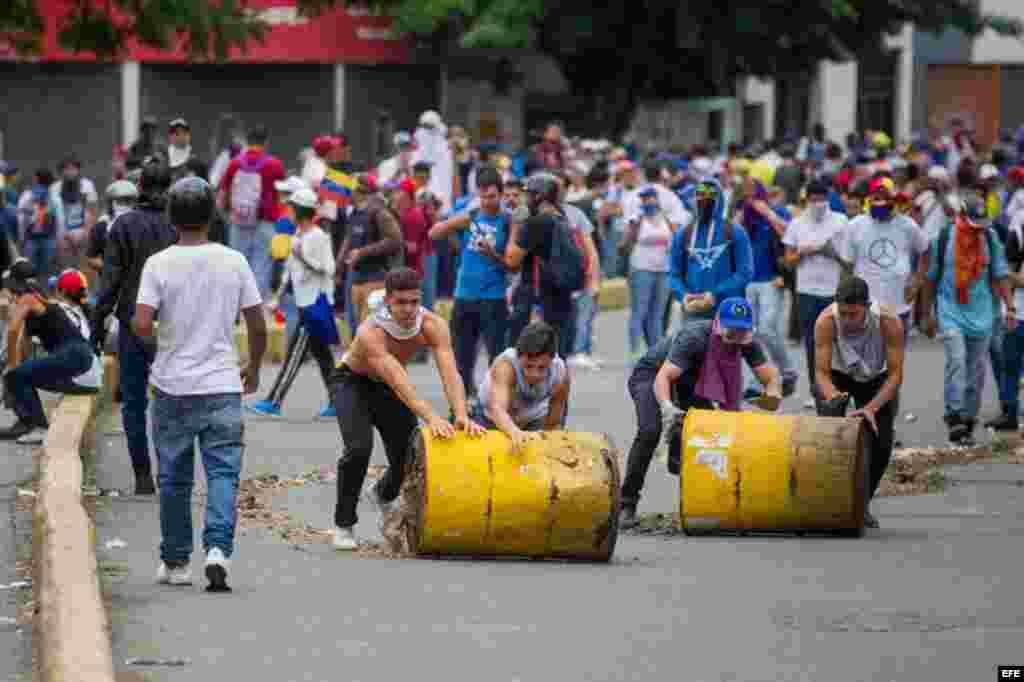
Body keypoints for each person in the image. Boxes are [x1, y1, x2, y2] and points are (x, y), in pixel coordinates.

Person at [133, 176, 266, 592]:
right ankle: (218, 550)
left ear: (172, 217)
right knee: (223, 472)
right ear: (212, 215)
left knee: (174, 478)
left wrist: (162, 348)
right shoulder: (234, 261)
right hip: (222, 384)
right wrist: (254, 366)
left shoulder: (158, 264)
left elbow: (140, 323)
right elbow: (257, 324)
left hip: (172, 387)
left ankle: (176, 563)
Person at [330, 267, 486, 550]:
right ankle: (344, 524)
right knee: (358, 449)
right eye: (401, 302)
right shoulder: (371, 330)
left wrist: (461, 414)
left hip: (388, 387)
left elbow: (450, 372)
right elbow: (398, 379)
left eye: (414, 301)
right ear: (388, 300)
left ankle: (382, 493)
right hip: (353, 383)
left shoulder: (432, 324)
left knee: (409, 453)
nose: (408, 309)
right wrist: (431, 417)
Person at [619, 297, 781, 527]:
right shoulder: (695, 338)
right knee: (650, 431)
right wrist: (667, 407)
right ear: (718, 323)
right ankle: (626, 503)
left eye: (741, 331)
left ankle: (704, 500)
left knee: (715, 433)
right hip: (652, 374)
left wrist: (772, 394)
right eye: (731, 330)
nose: (735, 337)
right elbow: (664, 377)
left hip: (691, 384)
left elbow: (770, 376)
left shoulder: (747, 341)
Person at [92, 159, 178, 495]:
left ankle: (142, 476)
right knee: (169, 401)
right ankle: (168, 472)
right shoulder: (177, 226)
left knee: (133, 402)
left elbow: (110, 282)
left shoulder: (123, 226)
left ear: (139, 187)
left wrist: (97, 325)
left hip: (132, 322)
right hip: (170, 324)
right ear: (169, 187)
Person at [922, 192, 1013, 443]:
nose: (978, 230)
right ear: (961, 216)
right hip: (950, 309)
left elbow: (1001, 274)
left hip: (982, 313)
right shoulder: (943, 238)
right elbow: (931, 278)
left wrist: (1010, 308)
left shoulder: (990, 238)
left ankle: (968, 419)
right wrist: (926, 314)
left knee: (976, 370)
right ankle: (954, 416)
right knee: (958, 360)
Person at [815, 277, 905, 529]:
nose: (847, 320)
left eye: (854, 314)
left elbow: (896, 374)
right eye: (843, 313)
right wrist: (832, 395)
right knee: (829, 436)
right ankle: (827, 501)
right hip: (838, 375)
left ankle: (861, 504)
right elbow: (821, 372)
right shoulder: (825, 321)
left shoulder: (889, 321)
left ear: (867, 306)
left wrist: (871, 408)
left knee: (882, 442)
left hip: (876, 377)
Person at [249, 188, 340, 419]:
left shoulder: (318, 237)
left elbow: (327, 269)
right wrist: (277, 297)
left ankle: (274, 401)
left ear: (300, 211)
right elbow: (290, 273)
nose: (288, 211)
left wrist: (303, 256)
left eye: (292, 207)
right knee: (323, 358)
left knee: (294, 356)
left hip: (314, 305)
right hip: (304, 303)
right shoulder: (297, 236)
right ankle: (339, 403)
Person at [429, 166, 510, 395]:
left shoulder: (508, 220)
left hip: (493, 296)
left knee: (496, 353)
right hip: (464, 294)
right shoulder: (471, 216)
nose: (487, 201)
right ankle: (463, 398)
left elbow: (513, 264)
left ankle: (495, 398)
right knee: (461, 353)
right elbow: (434, 234)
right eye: (483, 196)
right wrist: (452, 223)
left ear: (501, 195)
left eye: (492, 196)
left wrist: (493, 254)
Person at [0, 260, 100, 444]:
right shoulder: (40, 301)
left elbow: (13, 330)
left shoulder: (29, 298)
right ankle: (27, 422)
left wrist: (13, 368)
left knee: (16, 374)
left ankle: (38, 427)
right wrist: (14, 376)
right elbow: (25, 348)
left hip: (76, 358)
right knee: (18, 375)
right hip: (84, 367)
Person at [783, 179, 850, 405]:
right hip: (806, 291)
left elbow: (850, 259)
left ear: (828, 199)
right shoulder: (797, 224)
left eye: (821, 199)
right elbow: (788, 261)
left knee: (838, 341)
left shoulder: (841, 222)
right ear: (807, 200)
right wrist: (803, 252)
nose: (818, 203)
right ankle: (817, 390)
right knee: (813, 343)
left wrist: (830, 252)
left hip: (833, 291)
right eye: (813, 200)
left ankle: (839, 388)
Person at [472, 321, 570, 450]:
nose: (534, 374)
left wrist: (549, 445)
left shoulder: (560, 373)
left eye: (542, 368)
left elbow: (554, 424)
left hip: (533, 417)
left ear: (552, 360)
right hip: (491, 417)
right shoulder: (506, 366)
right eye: (528, 366)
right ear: (519, 357)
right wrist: (514, 431)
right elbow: (497, 409)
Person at [668, 179, 754, 324]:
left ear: (719, 197)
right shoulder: (683, 233)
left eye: (710, 195)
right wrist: (683, 296)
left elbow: (745, 273)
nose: (705, 200)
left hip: (729, 313)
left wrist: (715, 294)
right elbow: (673, 274)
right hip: (693, 313)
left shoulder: (734, 231)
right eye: (700, 194)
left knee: (726, 347)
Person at [219, 125, 286, 301]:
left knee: (237, 265)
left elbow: (223, 194)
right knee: (261, 265)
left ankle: (235, 306)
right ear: (266, 142)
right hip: (266, 222)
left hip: (239, 221)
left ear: (247, 142)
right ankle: (255, 308)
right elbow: (282, 196)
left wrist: (227, 216)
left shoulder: (235, 164)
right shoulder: (274, 165)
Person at [336, 173, 404, 324]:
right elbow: (349, 240)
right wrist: (339, 267)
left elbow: (395, 240)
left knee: (371, 330)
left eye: (349, 189)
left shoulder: (379, 212)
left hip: (375, 279)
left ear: (359, 191)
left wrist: (362, 252)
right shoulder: (354, 213)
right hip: (356, 279)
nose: (345, 193)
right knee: (357, 329)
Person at [619, 185, 674, 359]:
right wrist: (631, 230)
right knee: (640, 310)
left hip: (663, 269)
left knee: (657, 313)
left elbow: (674, 239)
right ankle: (634, 350)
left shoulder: (665, 218)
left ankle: (655, 350)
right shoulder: (637, 219)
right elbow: (624, 244)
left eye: (651, 197)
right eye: (644, 198)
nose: (648, 201)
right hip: (641, 268)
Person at [86, 180, 139, 275]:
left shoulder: (142, 225)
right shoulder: (102, 226)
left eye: (128, 201)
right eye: (120, 201)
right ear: (110, 203)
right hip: (110, 283)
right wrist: (109, 268)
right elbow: (91, 258)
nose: (124, 205)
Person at [166, 118, 197, 183]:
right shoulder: (165, 155)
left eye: (184, 132)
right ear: (170, 136)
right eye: (176, 133)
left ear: (188, 135)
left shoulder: (194, 156)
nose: (180, 136)